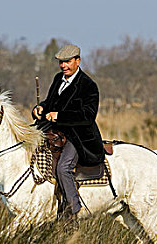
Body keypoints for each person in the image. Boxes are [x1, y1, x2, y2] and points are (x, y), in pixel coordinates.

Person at [32, 44, 105, 218]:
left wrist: (59, 116)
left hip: (79, 136)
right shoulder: (58, 79)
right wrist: (40, 108)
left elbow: (88, 116)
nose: (63, 66)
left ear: (77, 61)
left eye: (67, 62)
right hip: (54, 133)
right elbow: (50, 103)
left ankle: (73, 208)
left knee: (64, 167)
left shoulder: (89, 86)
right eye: (61, 62)